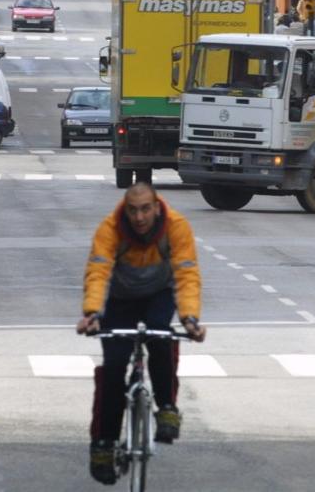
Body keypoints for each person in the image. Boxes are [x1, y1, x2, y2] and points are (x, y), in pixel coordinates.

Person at [77, 183, 205, 486]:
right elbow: (98, 271)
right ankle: (104, 444)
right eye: (133, 210)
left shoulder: (176, 227)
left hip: (159, 296)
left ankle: (167, 408)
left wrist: (189, 319)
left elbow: (187, 274)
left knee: (162, 339)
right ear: (126, 209)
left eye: (145, 208)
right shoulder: (110, 228)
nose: (139, 217)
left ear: (157, 207)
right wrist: (92, 313)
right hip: (120, 301)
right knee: (113, 371)